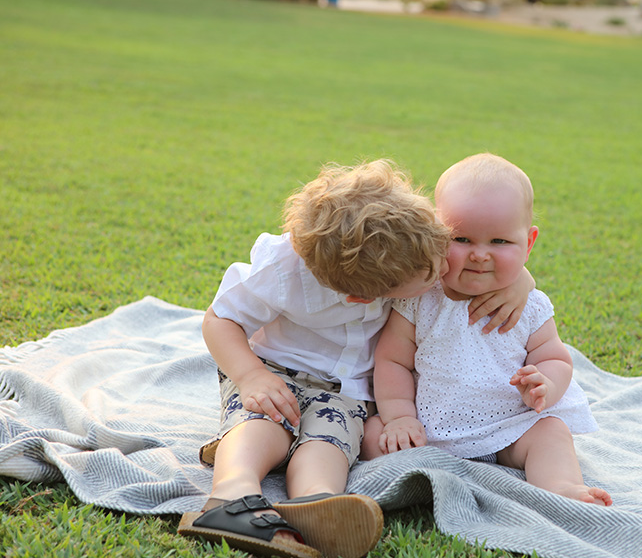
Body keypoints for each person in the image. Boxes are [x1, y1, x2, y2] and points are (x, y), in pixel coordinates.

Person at [179, 159, 534, 558]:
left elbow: (483, 253)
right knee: (262, 423)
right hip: (272, 371)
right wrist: (249, 377)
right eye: (430, 274)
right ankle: (230, 496)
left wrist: (522, 279)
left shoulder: (413, 244)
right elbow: (221, 319)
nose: (444, 268)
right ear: (366, 298)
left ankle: (315, 504)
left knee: (329, 440)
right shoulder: (282, 268)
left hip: (346, 390)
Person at [364, 153, 612, 506]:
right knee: (372, 433)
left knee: (551, 431)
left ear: (528, 243)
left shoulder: (532, 304)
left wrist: (547, 383)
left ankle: (561, 486)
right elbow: (392, 361)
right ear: (435, 235)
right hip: (428, 427)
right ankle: (419, 478)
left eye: (499, 242)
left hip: (508, 427)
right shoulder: (419, 298)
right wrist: (400, 417)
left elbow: (555, 356)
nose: (480, 255)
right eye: (461, 239)